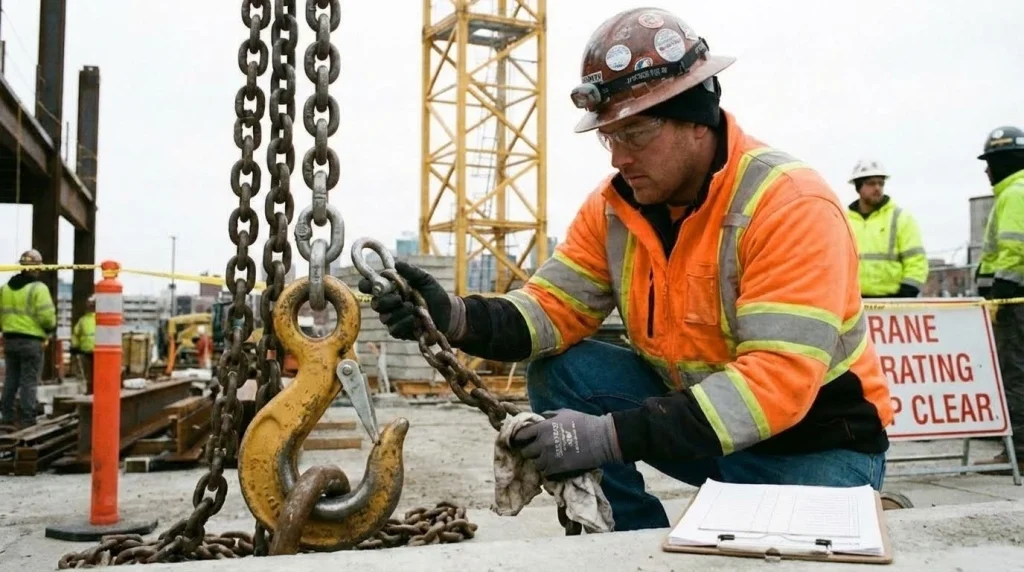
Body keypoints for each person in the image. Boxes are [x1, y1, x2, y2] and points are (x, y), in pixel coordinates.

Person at [360, 7, 893, 531]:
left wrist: (605, 438)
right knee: (563, 369)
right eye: (608, 137)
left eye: (634, 135)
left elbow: (775, 384)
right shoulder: (617, 209)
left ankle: (843, 500)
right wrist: (450, 316)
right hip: (707, 436)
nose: (618, 157)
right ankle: (626, 540)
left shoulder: (787, 204)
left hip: (812, 442)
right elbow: (549, 310)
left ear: (696, 119)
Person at [974, 125, 1024, 475]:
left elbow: (1014, 250)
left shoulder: (1015, 193)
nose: (986, 170)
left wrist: (998, 297)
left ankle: (1018, 451)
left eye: (990, 161)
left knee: (1015, 372)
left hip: (1015, 302)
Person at [845, 159, 929, 298]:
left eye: (881, 183)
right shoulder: (844, 220)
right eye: (871, 183)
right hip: (853, 302)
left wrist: (907, 292)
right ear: (858, 187)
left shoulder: (901, 218)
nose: (877, 188)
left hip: (894, 301)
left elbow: (916, 260)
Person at [0, 249, 57, 428]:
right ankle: (27, 419)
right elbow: (47, 317)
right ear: (37, 267)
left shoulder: (5, 288)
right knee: (28, 381)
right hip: (31, 342)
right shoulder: (38, 289)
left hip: (9, 340)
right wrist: (49, 330)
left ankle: (7, 416)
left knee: (11, 379)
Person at [70, 295, 96, 394]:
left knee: (88, 374)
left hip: (86, 350)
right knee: (96, 373)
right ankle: (95, 391)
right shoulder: (101, 319)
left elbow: (76, 334)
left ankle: (90, 391)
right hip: (98, 351)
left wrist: (74, 347)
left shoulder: (83, 320)